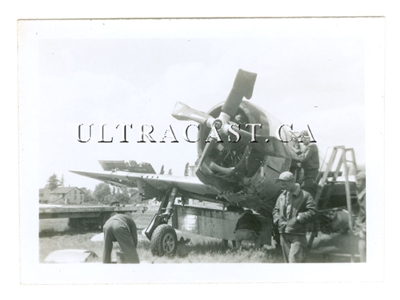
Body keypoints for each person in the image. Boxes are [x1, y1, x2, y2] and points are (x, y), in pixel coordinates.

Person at [273, 171, 316, 263]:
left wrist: (298, 218)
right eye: (281, 184)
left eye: (284, 183)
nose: (282, 186)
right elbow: (276, 210)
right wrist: (277, 220)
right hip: (283, 234)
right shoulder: (281, 196)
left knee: (294, 261)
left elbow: (312, 211)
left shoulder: (305, 195)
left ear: (292, 181)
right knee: (287, 263)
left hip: (298, 234)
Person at [299, 130, 319, 197]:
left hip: (311, 173)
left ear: (306, 138)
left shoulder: (311, 146)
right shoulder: (307, 148)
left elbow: (304, 158)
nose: (302, 141)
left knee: (308, 190)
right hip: (308, 173)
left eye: (303, 139)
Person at [353, 171, 366, 262]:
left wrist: (365, 230)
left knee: (363, 247)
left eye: (359, 181)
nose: (357, 183)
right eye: (356, 180)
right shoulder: (362, 193)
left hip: (364, 228)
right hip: (362, 225)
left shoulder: (366, 195)